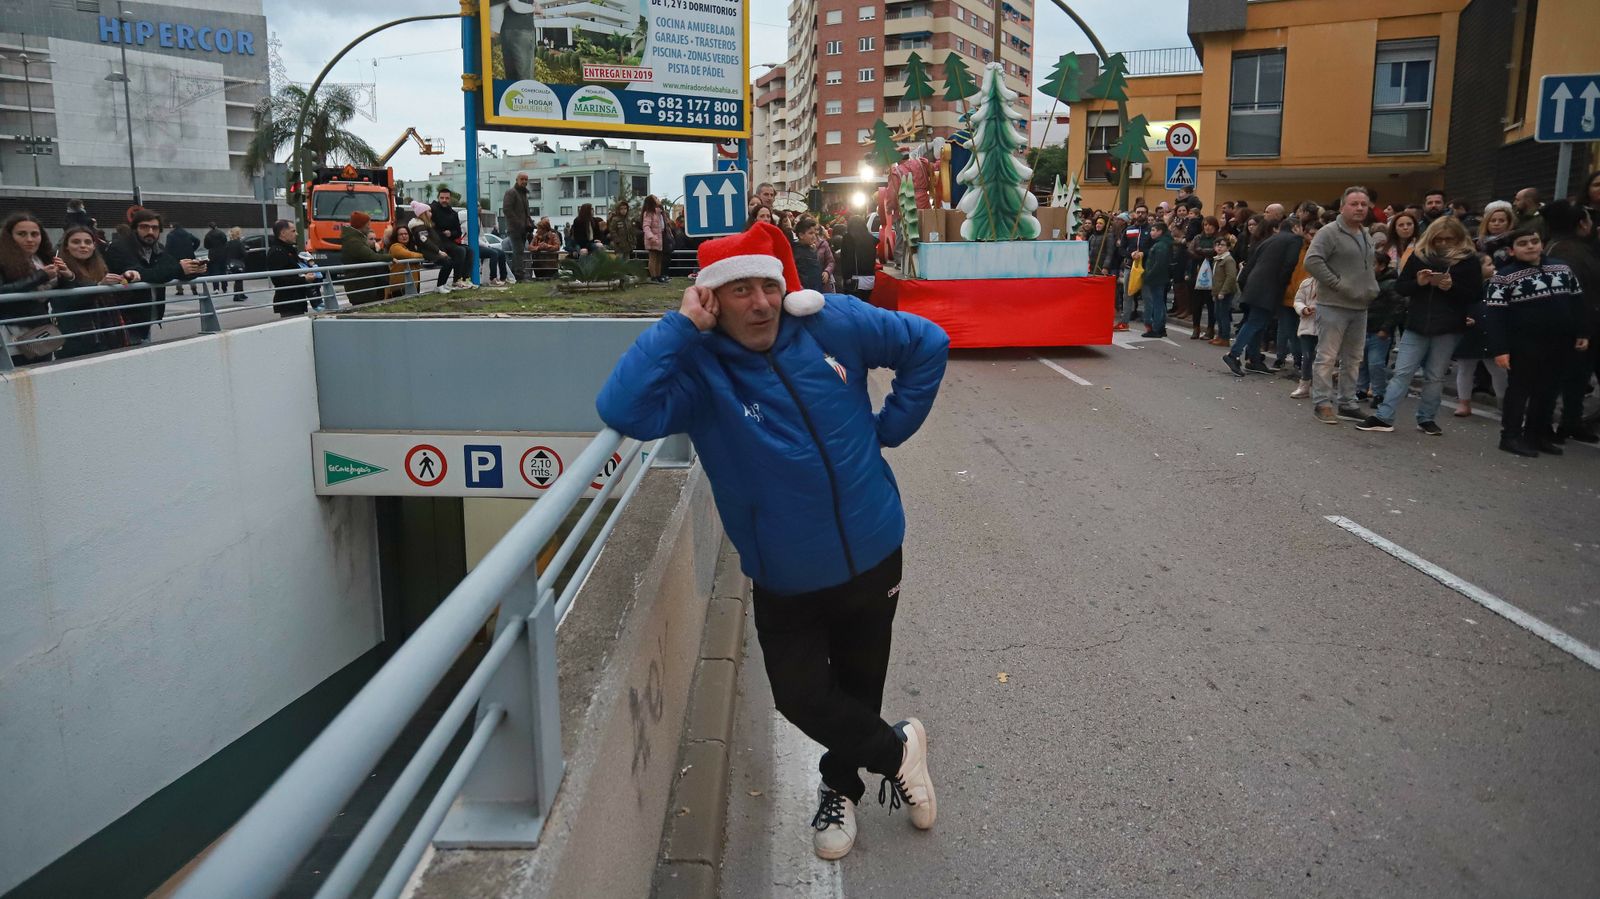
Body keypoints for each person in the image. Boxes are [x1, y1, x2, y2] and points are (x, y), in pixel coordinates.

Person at [595, 221, 947, 862]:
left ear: (785, 287)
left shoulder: (833, 322)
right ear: (711, 300)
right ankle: (898, 751)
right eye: (738, 292)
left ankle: (840, 790)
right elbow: (623, 410)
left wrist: (888, 430)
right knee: (800, 696)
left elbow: (928, 343)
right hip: (785, 571)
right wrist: (679, 330)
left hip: (874, 548)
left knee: (859, 686)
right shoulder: (699, 373)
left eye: (767, 286)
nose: (758, 303)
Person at [1358, 217, 1481, 436]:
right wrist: (1419, 283)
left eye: (1448, 239)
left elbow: (1475, 294)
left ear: (1458, 239)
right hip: (1417, 323)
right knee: (1402, 372)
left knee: (1435, 376)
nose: (1443, 243)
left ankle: (1427, 418)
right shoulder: (1420, 256)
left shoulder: (1468, 261)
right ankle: (1384, 416)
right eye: (1438, 239)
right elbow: (1402, 287)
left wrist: (1452, 287)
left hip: (1448, 326)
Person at [1486, 227, 1589, 456]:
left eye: (1534, 241)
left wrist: (1583, 332)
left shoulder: (1562, 268)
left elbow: (1577, 301)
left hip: (1560, 342)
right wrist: (1500, 349)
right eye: (1523, 243)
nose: (1531, 246)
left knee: (1548, 391)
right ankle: (1510, 436)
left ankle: (1536, 435)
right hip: (1523, 344)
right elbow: (1494, 316)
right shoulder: (1503, 277)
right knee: (1520, 391)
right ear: (1512, 251)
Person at [1304, 187, 1380, 424]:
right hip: (1333, 305)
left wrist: (1371, 287)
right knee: (1327, 356)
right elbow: (1312, 261)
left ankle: (1347, 403)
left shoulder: (1365, 234)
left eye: (1363, 204)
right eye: (1354, 203)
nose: (1359, 208)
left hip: (1360, 306)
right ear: (1342, 207)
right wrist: (1337, 284)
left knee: (1354, 358)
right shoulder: (1329, 232)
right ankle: (1322, 403)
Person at [1543, 200, 1600, 443]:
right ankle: (1552, 427)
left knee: (1575, 378)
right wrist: (1583, 329)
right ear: (1581, 224)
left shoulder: (1560, 248)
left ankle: (1570, 422)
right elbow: (1580, 294)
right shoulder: (1568, 252)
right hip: (1577, 324)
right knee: (1565, 377)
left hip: (1577, 323)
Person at [103, 208, 204, 343]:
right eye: (144, 227)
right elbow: (143, 274)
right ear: (135, 229)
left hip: (146, 316)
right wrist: (179, 269)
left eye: (155, 228)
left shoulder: (159, 249)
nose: (150, 232)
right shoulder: (119, 248)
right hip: (123, 315)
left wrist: (194, 269)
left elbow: (171, 270)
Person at [1224, 217, 1303, 377]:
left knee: (1259, 323)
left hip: (1254, 284)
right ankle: (1233, 354)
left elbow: (1253, 261)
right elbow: (1289, 264)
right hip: (1270, 287)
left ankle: (1254, 359)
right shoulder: (1295, 240)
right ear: (1295, 227)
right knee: (1255, 322)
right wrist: (1281, 285)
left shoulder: (1269, 240)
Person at [1, 212, 70, 365]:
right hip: (12, 331)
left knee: (45, 369)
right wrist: (40, 276)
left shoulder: (43, 257)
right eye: (22, 234)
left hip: (40, 328)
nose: (30, 239)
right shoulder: (2, 259)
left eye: (35, 234)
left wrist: (68, 275)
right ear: (9, 237)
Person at [56, 225, 134, 357]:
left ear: (93, 246)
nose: (83, 246)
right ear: (66, 247)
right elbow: (70, 301)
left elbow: (121, 293)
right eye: (76, 242)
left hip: (108, 331)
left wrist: (127, 279)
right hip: (79, 336)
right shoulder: (61, 270)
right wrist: (99, 286)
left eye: (88, 242)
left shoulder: (101, 267)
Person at [1356, 250, 1404, 405]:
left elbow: (1398, 307)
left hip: (1379, 330)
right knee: (1361, 362)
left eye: (1373, 264)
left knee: (1376, 363)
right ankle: (1361, 390)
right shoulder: (1364, 281)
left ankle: (1379, 393)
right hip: (1363, 327)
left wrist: (1386, 328)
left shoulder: (1390, 284)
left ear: (1382, 266)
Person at [265, 219, 322, 316]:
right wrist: (304, 278)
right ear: (283, 233)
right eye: (293, 231)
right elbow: (279, 280)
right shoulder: (277, 252)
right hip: (289, 302)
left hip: (296, 300)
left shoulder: (288, 250)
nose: (297, 234)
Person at [339, 211, 392, 304]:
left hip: (362, 285)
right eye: (368, 224)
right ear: (361, 225)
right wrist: (391, 257)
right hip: (359, 286)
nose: (369, 226)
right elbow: (372, 256)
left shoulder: (355, 238)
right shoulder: (354, 242)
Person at [406, 203, 458, 293]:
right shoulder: (420, 227)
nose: (431, 213)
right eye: (429, 211)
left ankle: (442, 284)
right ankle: (440, 285)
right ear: (423, 213)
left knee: (449, 262)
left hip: (433, 251)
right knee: (447, 263)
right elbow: (426, 242)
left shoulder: (426, 225)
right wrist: (438, 251)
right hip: (428, 252)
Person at [1137, 220, 1173, 338]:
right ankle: (1160, 327)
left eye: (1153, 230)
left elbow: (1159, 263)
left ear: (1160, 231)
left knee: (1157, 303)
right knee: (1159, 302)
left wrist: (1148, 275)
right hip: (1160, 277)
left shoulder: (1161, 245)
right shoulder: (1161, 243)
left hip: (1157, 278)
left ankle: (1157, 328)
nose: (1151, 232)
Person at [1187, 216, 1220, 339]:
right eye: (1205, 225)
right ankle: (1196, 328)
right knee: (1196, 303)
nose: (1207, 227)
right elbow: (1190, 251)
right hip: (1197, 272)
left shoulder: (1218, 238)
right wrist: (1203, 254)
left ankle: (1210, 329)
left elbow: (1217, 251)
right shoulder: (1198, 237)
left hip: (1213, 272)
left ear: (1215, 226)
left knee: (1210, 303)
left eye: (1210, 225)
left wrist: (1201, 251)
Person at [430, 187, 468, 288]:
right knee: (460, 251)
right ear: (438, 198)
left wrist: (450, 233)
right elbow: (430, 227)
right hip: (438, 242)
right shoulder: (432, 209)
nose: (444, 200)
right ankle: (455, 280)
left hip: (449, 241)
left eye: (447, 198)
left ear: (450, 199)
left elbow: (458, 232)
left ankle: (464, 279)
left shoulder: (453, 213)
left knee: (469, 251)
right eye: (442, 198)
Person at [1289, 276, 1318, 398]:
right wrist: (1303, 309)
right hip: (1308, 325)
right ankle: (1304, 385)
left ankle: (1321, 390)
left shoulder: (1332, 282)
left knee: (1323, 359)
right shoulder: (1306, 283)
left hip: (1325, 326)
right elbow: (1298, 300)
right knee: (1306, 357)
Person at [1208, 234, 1239, 345]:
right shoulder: (1217, 259)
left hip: (1225, 292)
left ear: (1228, 247)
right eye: (1217, 245)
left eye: (1222, 245)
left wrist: (1223, 291)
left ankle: (1225, 337)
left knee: (1223, 314)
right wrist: (1214, 292)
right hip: (1217, 291)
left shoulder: (1228, 259)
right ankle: (1220, 335)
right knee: (1218, 314)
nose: (1219, 247)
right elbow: (1215, 278)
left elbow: (1231, 276)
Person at [502, 172, 533, 281]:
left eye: (526, 179)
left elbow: (526, 212)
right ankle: (518, 275)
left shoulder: (523, 194)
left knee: (520, 252)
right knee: (518, 251)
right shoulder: (511, 192)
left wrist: (529, 223)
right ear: (517, 180)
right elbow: (507, 210)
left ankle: (519, 274)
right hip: (515, 229)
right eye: (522, 179)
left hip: (523, 229)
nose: (524, 181)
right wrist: (519, 223)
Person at [385, 224, 424, 298]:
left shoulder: (409, 247)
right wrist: (423, 255)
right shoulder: (395, 247)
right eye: (401, 234)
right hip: (399, 287)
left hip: (412, 284)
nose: (404, 236)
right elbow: (409, 255)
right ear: (396, 236)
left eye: (406, 234)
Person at [164, 221, 200, 295]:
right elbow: (197, 241)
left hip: (176, 257)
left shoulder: (170, 235)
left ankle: (180, 290)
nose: (170, 229)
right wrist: (192, 249)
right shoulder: (187, 234)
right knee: (191, 272)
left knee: (178, 273)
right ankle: (194, 288)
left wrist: (168, 256)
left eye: (170, 227)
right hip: (189, 256)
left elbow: (168, 247)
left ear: (173, 227)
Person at [641, 195, 668, 284]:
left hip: (660, 238)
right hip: (653, 238)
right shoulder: (649, 213)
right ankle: (653, 276)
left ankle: (658, 275)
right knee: (653, 257)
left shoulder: (659, 212)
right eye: (656, 198)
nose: (658, 199)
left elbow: (663, 225)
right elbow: (646, 226)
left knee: (659, 257)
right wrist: (651, 237)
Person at [224, 226, 249, 302]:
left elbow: (225, 253)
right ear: (238, 234)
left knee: (238, 279)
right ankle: (237, 296)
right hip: (238, 263)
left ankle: (241, 294)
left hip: (231, 263)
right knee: (239, 280)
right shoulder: (239, 243)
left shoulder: (228, 243)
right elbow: (244, 253)